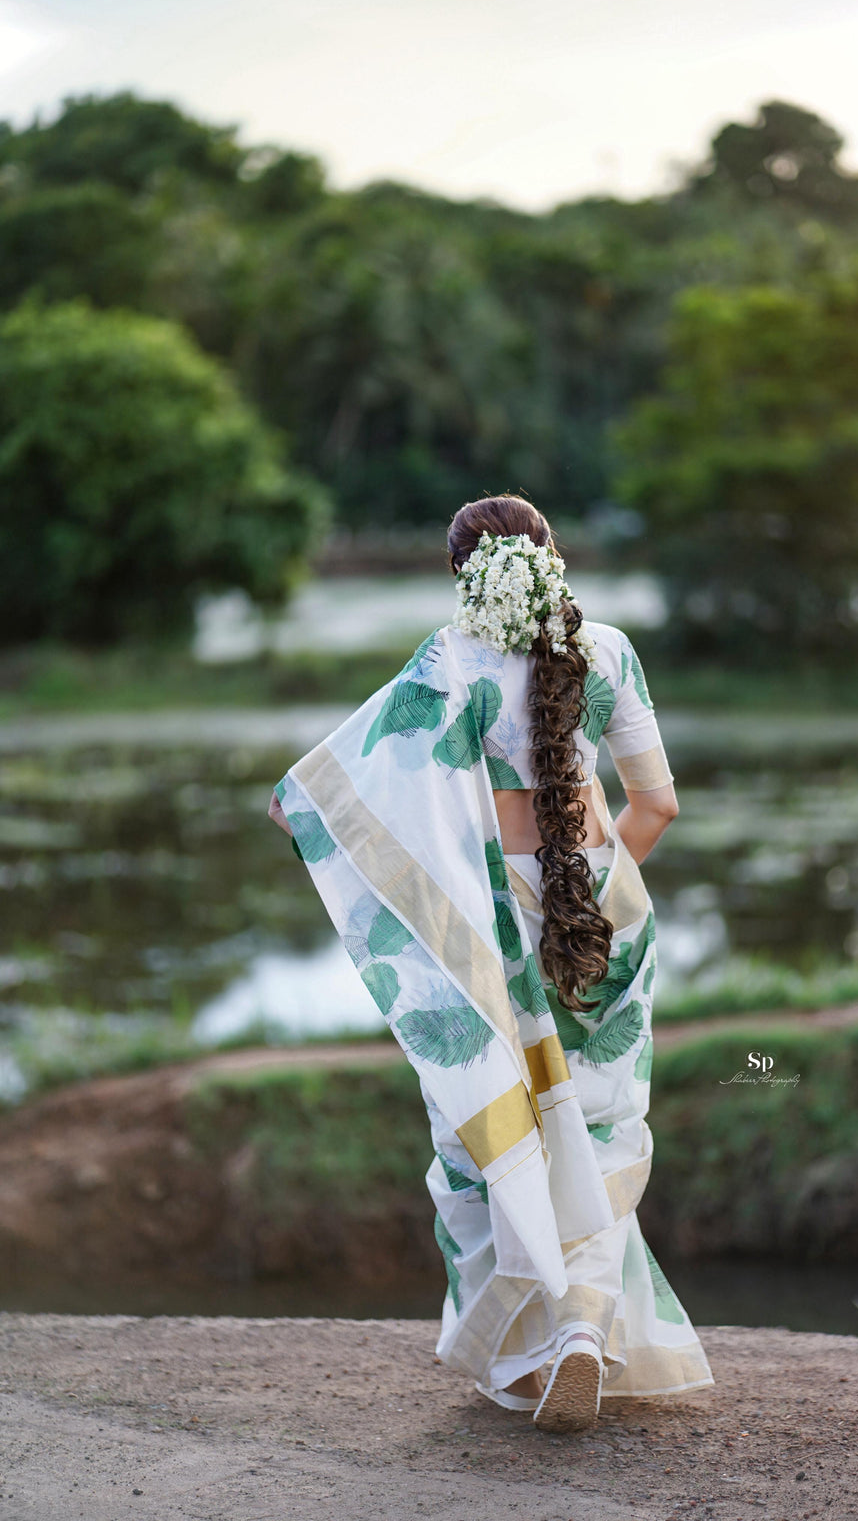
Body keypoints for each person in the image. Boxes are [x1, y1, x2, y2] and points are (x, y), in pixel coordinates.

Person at [269, 493, 714, 1433]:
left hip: (494, 929)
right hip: (602, 910)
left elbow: (343, 787)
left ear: (460, 573)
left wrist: (301, 816)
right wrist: (589, 886)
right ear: (552, 559)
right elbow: (658, 805)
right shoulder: (614, 651)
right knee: (599, 1127)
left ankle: (530, 1354)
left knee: (489, 1134)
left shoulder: (448, 660)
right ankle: (587, 1330)